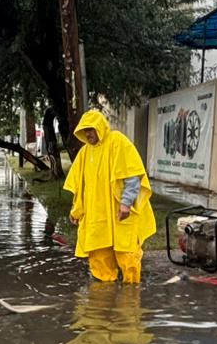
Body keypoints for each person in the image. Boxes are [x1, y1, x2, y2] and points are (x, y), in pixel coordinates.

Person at [63, 109, 156, 283]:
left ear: (100, 126)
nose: (88, 134)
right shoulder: (84, 153)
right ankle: (103, 300)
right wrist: (76, 212)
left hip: (120, 213)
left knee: (128, 256)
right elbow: (80, 187)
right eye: (85, 130)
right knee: (99, 259)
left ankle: (130, 298)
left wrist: (126, 203)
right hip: (97, 218)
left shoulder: (117, 141)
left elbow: (133, 175)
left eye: (91, 129)